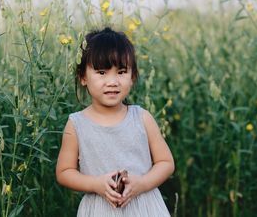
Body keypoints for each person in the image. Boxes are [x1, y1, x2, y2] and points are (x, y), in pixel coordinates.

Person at [56, 27, 175, 216]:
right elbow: (64, 172)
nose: (112, 81)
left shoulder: (142, 118)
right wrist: (95, 184)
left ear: (132, 76)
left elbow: (166, 162)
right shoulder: (77, 124)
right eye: (102, 72)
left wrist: (142, 183)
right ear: (83, 77)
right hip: (100, 209)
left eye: (121, 72)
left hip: (143, 207)